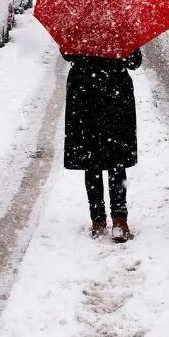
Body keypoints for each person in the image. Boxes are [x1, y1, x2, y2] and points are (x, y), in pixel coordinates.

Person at [62, 48, 142, 242]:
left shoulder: (78, 24)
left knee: (92, 160)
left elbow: (67, 54)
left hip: (84, 94)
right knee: (116, 159)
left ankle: (98, 220)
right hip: (115, 95)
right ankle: (119, 220)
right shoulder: (122, 25)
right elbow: (134, 62)